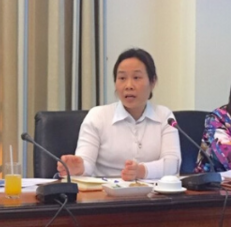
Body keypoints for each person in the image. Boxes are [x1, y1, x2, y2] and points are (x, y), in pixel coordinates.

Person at [57, 49, 180, 180]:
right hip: (106, 196)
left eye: (136, 77)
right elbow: (87, 162)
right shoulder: (98, 116)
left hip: (153, 197)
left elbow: (173, 164)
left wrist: (141, 171)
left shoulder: (165, 116)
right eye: (122, 78)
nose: (128, 85)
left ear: (153, 82)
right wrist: (79, 168)